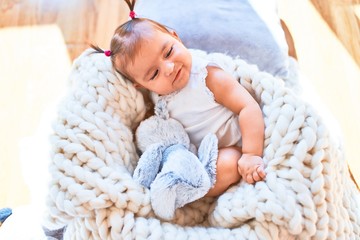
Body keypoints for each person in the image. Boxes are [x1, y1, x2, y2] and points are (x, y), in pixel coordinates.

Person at [91, 0, 266, 197]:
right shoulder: (157, 97)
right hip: (195, 156)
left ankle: (184, 195)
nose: (168, 68)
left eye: (168, 52)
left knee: (229, 163)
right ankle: (173, 187)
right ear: (141, 86)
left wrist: (251, 154)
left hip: (235, 147)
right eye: (154, 74)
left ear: (176, 37)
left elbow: (247, 107)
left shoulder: (207, 77)